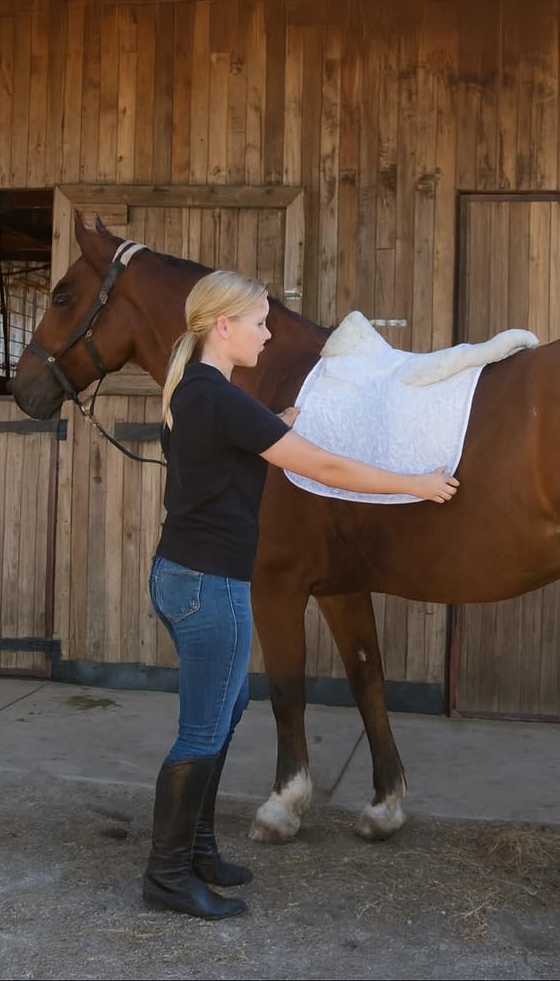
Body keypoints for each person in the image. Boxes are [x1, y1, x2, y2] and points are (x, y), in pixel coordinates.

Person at [143, 270, 459, 920]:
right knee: (201, 732)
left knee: (223, 718)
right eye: (259, 322)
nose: (268, 333)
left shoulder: (198, 393)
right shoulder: (221, 399)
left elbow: (237, 446)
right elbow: (325, 468)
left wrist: (280, 418)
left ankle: (199, 851)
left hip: (186, 577)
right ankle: (168, 876)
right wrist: (414, 483)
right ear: (222, 327)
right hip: (211, 586)